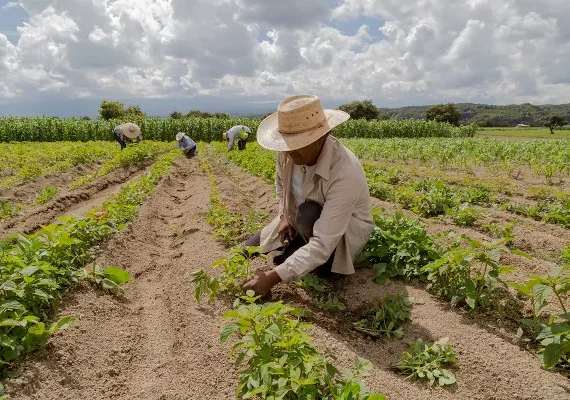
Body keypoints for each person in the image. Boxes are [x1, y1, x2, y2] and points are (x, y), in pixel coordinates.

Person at [242, 94, 374, 296]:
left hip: (338, 235)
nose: (289, 151)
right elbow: (280, 183)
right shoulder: (286, 152)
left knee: (308, 213)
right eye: (286, 143)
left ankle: (321, 266)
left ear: (320, 137)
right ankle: (297, 245)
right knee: (246, 249)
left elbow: (323, 243)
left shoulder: (345, 171)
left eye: (297, 143)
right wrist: (284, 215)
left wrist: (272, 278)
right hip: (298, 221)